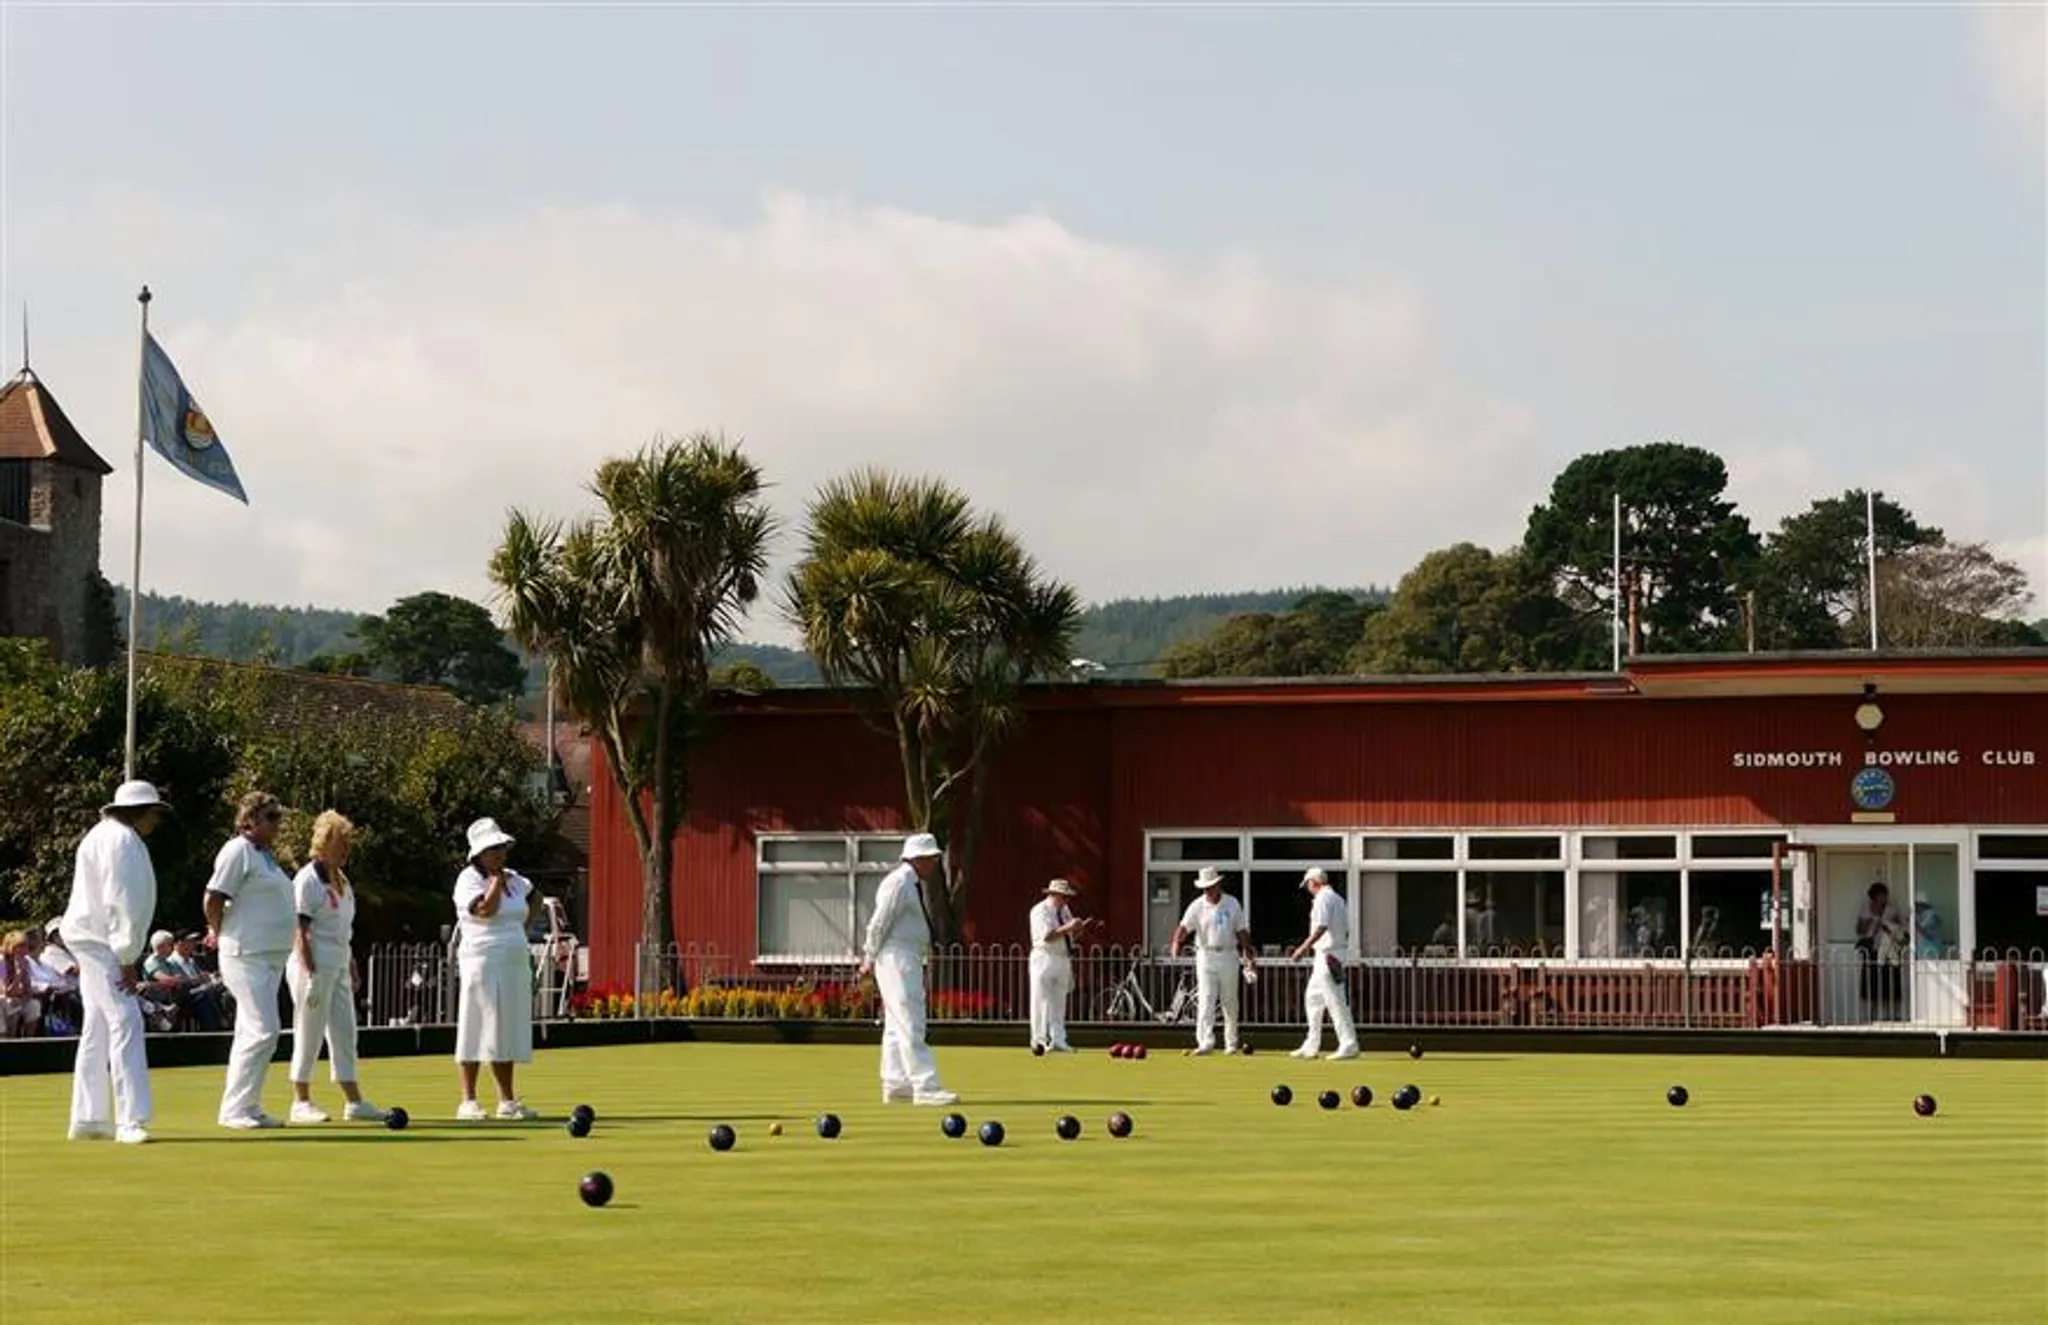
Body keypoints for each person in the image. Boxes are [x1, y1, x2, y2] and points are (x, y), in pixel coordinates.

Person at [63, 778, 168, 1144]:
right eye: (154, 812)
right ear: (139, 812)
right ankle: (130, 1119)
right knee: (126, 1019)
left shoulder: (102, 835)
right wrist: (126, 956)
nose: (157, 820)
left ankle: (88, 1118)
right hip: (101, 942)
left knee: (99, 1025)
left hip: (91, 938)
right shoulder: (122, 841)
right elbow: (119, 900)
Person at [204, 790, 297, 1129]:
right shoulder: (237, 850)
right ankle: (234, 1110)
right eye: (271, 817)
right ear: (248, 821)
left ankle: (248, 1105)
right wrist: (218, 932)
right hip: (245, 954)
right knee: (264, 1031)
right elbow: (213, 897)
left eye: (278, 817)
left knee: (251, 1032)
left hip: (270, 957)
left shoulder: (266, 857)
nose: (277, 824)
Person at [286, 811, 386, 1123]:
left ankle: (354, 1101)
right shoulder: (306, 880)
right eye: (340, 843)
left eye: (347, 844)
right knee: (309, 1031)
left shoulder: (342, 881)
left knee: (345, 1032)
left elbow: (344, 929)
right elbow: (299, 929)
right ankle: (300, 1100)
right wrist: (310, 970)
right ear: (324, 843)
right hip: (313, 967)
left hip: (339, 964)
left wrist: (351, 963)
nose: (346, 850)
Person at [858, 833, 957, 1105]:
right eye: (932, 858)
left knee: (895, 1024)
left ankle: (896, 1083)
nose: (935, 863)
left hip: (905, 955)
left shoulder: (909, 883)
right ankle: (926, 1086)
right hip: (897, 957)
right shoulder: (899, 882)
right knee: (911, 1020)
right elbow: (879, 922)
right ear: (919, 859)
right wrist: (869, 955)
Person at [453, 817, 539, 1120]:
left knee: (506, 1029)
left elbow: (534, 899)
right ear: (478, 854)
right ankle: (469, 1100)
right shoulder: (468, 879)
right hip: (482, 961)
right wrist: (495, 885)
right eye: (492, 849)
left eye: (501, 847)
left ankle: (507, 1100)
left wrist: (520, 933)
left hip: (513, 962)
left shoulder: (516, 879)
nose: (500, 854)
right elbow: (486, 911)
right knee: (476, 1026)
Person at [1167, 866, 1255, 1056]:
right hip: (1205, 956)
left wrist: (1249, 955)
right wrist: (1176, 943)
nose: (1208, 891)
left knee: (1229, 1001)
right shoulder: (1197, 906)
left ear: (1218, 884)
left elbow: (1242, 932)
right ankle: (1205, 1042)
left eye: (1211, 886)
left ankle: (1231, 1042)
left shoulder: (1232, 904)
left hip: (1228, 955)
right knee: (1206, 999)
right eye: (1205, 888)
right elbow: (1183, 927)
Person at [1288, 868, 1360, 1060]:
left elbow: (1321, 927)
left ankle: (1349, 1044)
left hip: (1329, 954)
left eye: (1308, 885)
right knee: (1313, 998)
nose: (1308, 889)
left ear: (1314, 882)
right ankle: (1311, 1044)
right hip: (1327, 954)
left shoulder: (1323, 899)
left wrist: (1302, 948)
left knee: (1335, 1001)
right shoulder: (1336, 898)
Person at [1028, 879, 1093, 1054]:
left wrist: (1078, 929)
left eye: (1067, 897)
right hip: (1044, 957)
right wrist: (1068, 927)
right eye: (1064, 897)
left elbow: (1068, 934)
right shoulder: (1040, 911)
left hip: (1062, 957)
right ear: (1053, 894)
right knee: (1040, 1000)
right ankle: (1038, 1041)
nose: (1066, 901)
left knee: (1059, 1001)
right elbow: (1047, 936)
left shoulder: (1064, 910)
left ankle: (1058, 1040)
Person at [1854, 881, 1907, 1018]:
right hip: (1872, 948)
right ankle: (1872, 1013)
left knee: (1890, 979)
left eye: (1886, 895)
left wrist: (1889, 927)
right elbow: (1859, 930)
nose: (1884, 898)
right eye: (1882, 895)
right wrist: (1871, 921)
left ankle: (1893, 1013)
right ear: (1874, 896)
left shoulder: (1891, 909)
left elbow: (1898, 929)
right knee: (1872, 980)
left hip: (1888, 947)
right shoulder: (1865, 909)